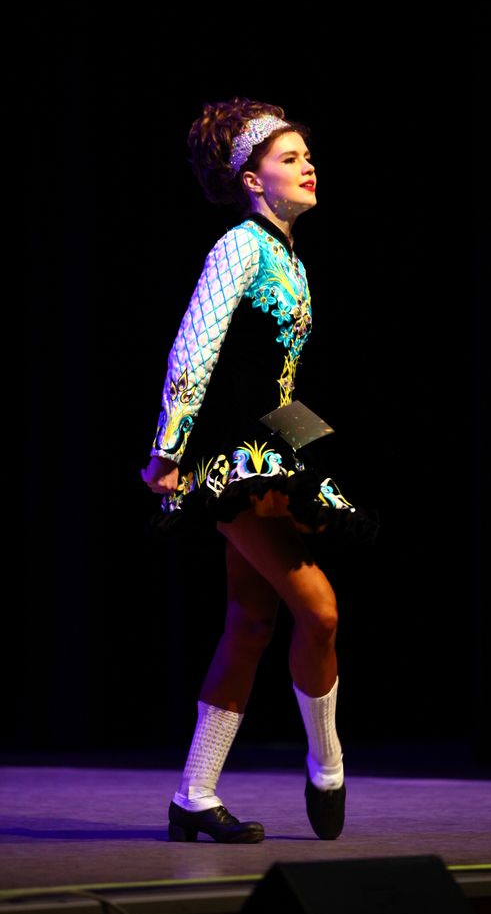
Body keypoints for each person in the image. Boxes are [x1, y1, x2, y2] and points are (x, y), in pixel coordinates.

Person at [140, 97, 377, 844]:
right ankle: (328, 764)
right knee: (320, 612)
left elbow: (273, 381)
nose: (309, 166)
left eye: (308, 155)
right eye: (289, 158)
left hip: (270, 451)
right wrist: (169, 449)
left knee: (249, 621)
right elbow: (195, 346)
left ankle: (193, 796)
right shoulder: (239, 246)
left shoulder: (289, 257)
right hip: (231, 460)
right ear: (251, 180)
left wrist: (306, 447)